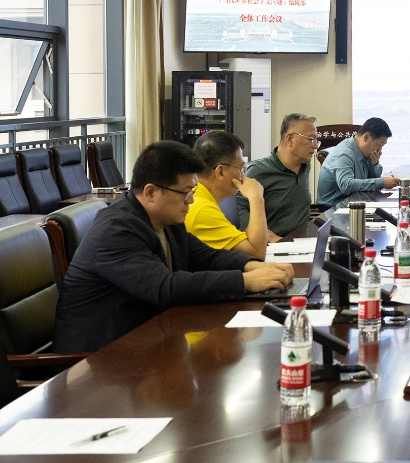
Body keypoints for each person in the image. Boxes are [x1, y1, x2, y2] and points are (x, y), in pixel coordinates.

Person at [54, 141, 293, 353]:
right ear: (150, 192)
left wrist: (252, 266)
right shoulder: (116, 230)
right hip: (96, 359)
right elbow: (163, 287)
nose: (191, 200)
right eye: (185, 193)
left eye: (193, 191)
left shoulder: (166, 219)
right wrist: (244, 281)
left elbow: (204, 257)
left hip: (145, 340)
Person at [187, 130, 275, 256]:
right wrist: (256, 198)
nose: (243, 175)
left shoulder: (197, 196)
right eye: (241, 168)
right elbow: (257, 254)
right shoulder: (202, 210)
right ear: (220, 172)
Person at [239, 112, 318, 239]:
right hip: (276, 244)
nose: (315, 146)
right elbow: (238, 208)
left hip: (303, 239)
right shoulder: (259, 171)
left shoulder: (305, 166)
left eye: (316, 140)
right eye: (311, 139)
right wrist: (268, 236)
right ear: (290, 139)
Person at [316, 117, 400, 210]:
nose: (380, 150)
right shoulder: (344, 153)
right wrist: (382, 183)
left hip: (353, 202)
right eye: (379, 145)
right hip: (333, 208)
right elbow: (347, 185)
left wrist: (374, 165)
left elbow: (369, 182)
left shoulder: (363, 152)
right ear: (366, 137)